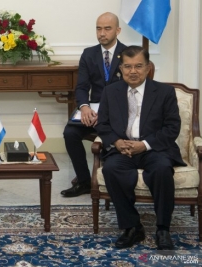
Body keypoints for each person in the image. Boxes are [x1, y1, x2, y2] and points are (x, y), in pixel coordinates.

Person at [96, 46, 186, 250]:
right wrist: (117, 142)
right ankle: (132, 227)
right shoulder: (111, 91)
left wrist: (143, 145)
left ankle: (163, 228)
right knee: (111, 169)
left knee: (162, 170)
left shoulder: (164, 92)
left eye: (138, 66)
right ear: (121, 68)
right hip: (123, 148)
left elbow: (172, 128)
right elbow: (102, 124)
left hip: (154, 148)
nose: (133, 71)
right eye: (127, 67)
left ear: (148, 68)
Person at [61, 12, 126, 197]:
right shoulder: (89, 54)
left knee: (111, 134)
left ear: (118, 30)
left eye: (107, 28)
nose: (102, 33)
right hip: (93, 110)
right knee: (70, 133)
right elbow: (81, 87)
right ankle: (84, 181)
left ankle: (110, 179)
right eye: (99, 28)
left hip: (118, 113)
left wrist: (108, 112)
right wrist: (84, 107)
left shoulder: (129, 54)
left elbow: (132, 91)